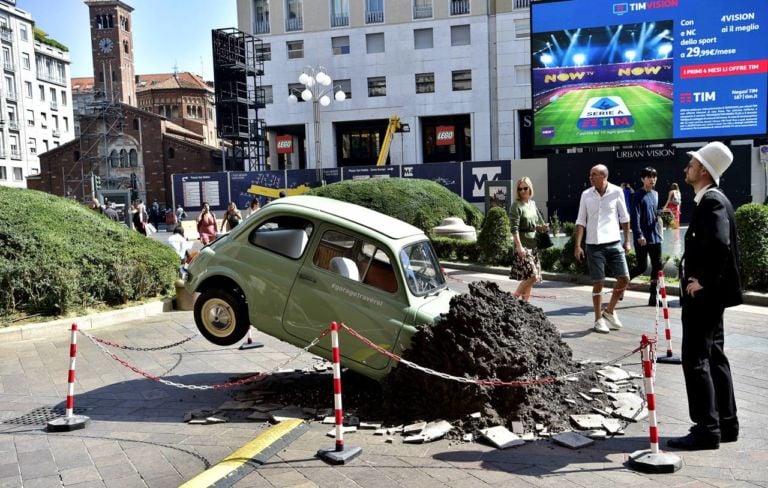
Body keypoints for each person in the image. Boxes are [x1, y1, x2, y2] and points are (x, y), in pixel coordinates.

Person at [667, 142, 742, 451]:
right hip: (714, 296)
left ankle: (706, 429)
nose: (687, 167)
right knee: (714, 356)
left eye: (693, 163)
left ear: (704, 171)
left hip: (705, 297)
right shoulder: (714, 200)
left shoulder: (711, 202)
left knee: (696, 359)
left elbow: (721, 245)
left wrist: (703, 282)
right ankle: (726, 424)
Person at [574, 164, 631, 334]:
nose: (590, 177)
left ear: (604, 176)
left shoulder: (617, 192)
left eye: (594, 174)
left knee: (624, 278)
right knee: (598, 282)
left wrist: (627, 241)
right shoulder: (586, 194)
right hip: (593, 244)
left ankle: (610, 311)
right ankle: (598, 319)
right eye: (590, 174)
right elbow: (581, 221)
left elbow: (625, 218)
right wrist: (577, 246)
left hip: (614, 242)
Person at [508, 177, 548, 301]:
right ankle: (513, 300)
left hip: (533, 245)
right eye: (520, 189)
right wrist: (519, 246)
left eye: (525, 188)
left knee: (529, 278)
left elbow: (535, 224)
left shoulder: (532, 204)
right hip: (523, 246)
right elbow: (514, 228)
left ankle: (525, 305)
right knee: (533, 276)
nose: (522, 191)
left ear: (530, 189)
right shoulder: (516, 205)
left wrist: (542, 227)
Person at [629, 167, 664, 306]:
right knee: (642, 267)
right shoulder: (636, 196)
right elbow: (635, 217)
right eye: (649, 177)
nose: (652, 179)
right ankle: (622, 283)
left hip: (655, 236)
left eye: (654, 177)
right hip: (642, 238)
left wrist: (661, 213)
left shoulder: (655, 194)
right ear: (642, 179)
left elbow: (653, 212)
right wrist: (639, 235)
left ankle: (653, 296)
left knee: (658, 266)